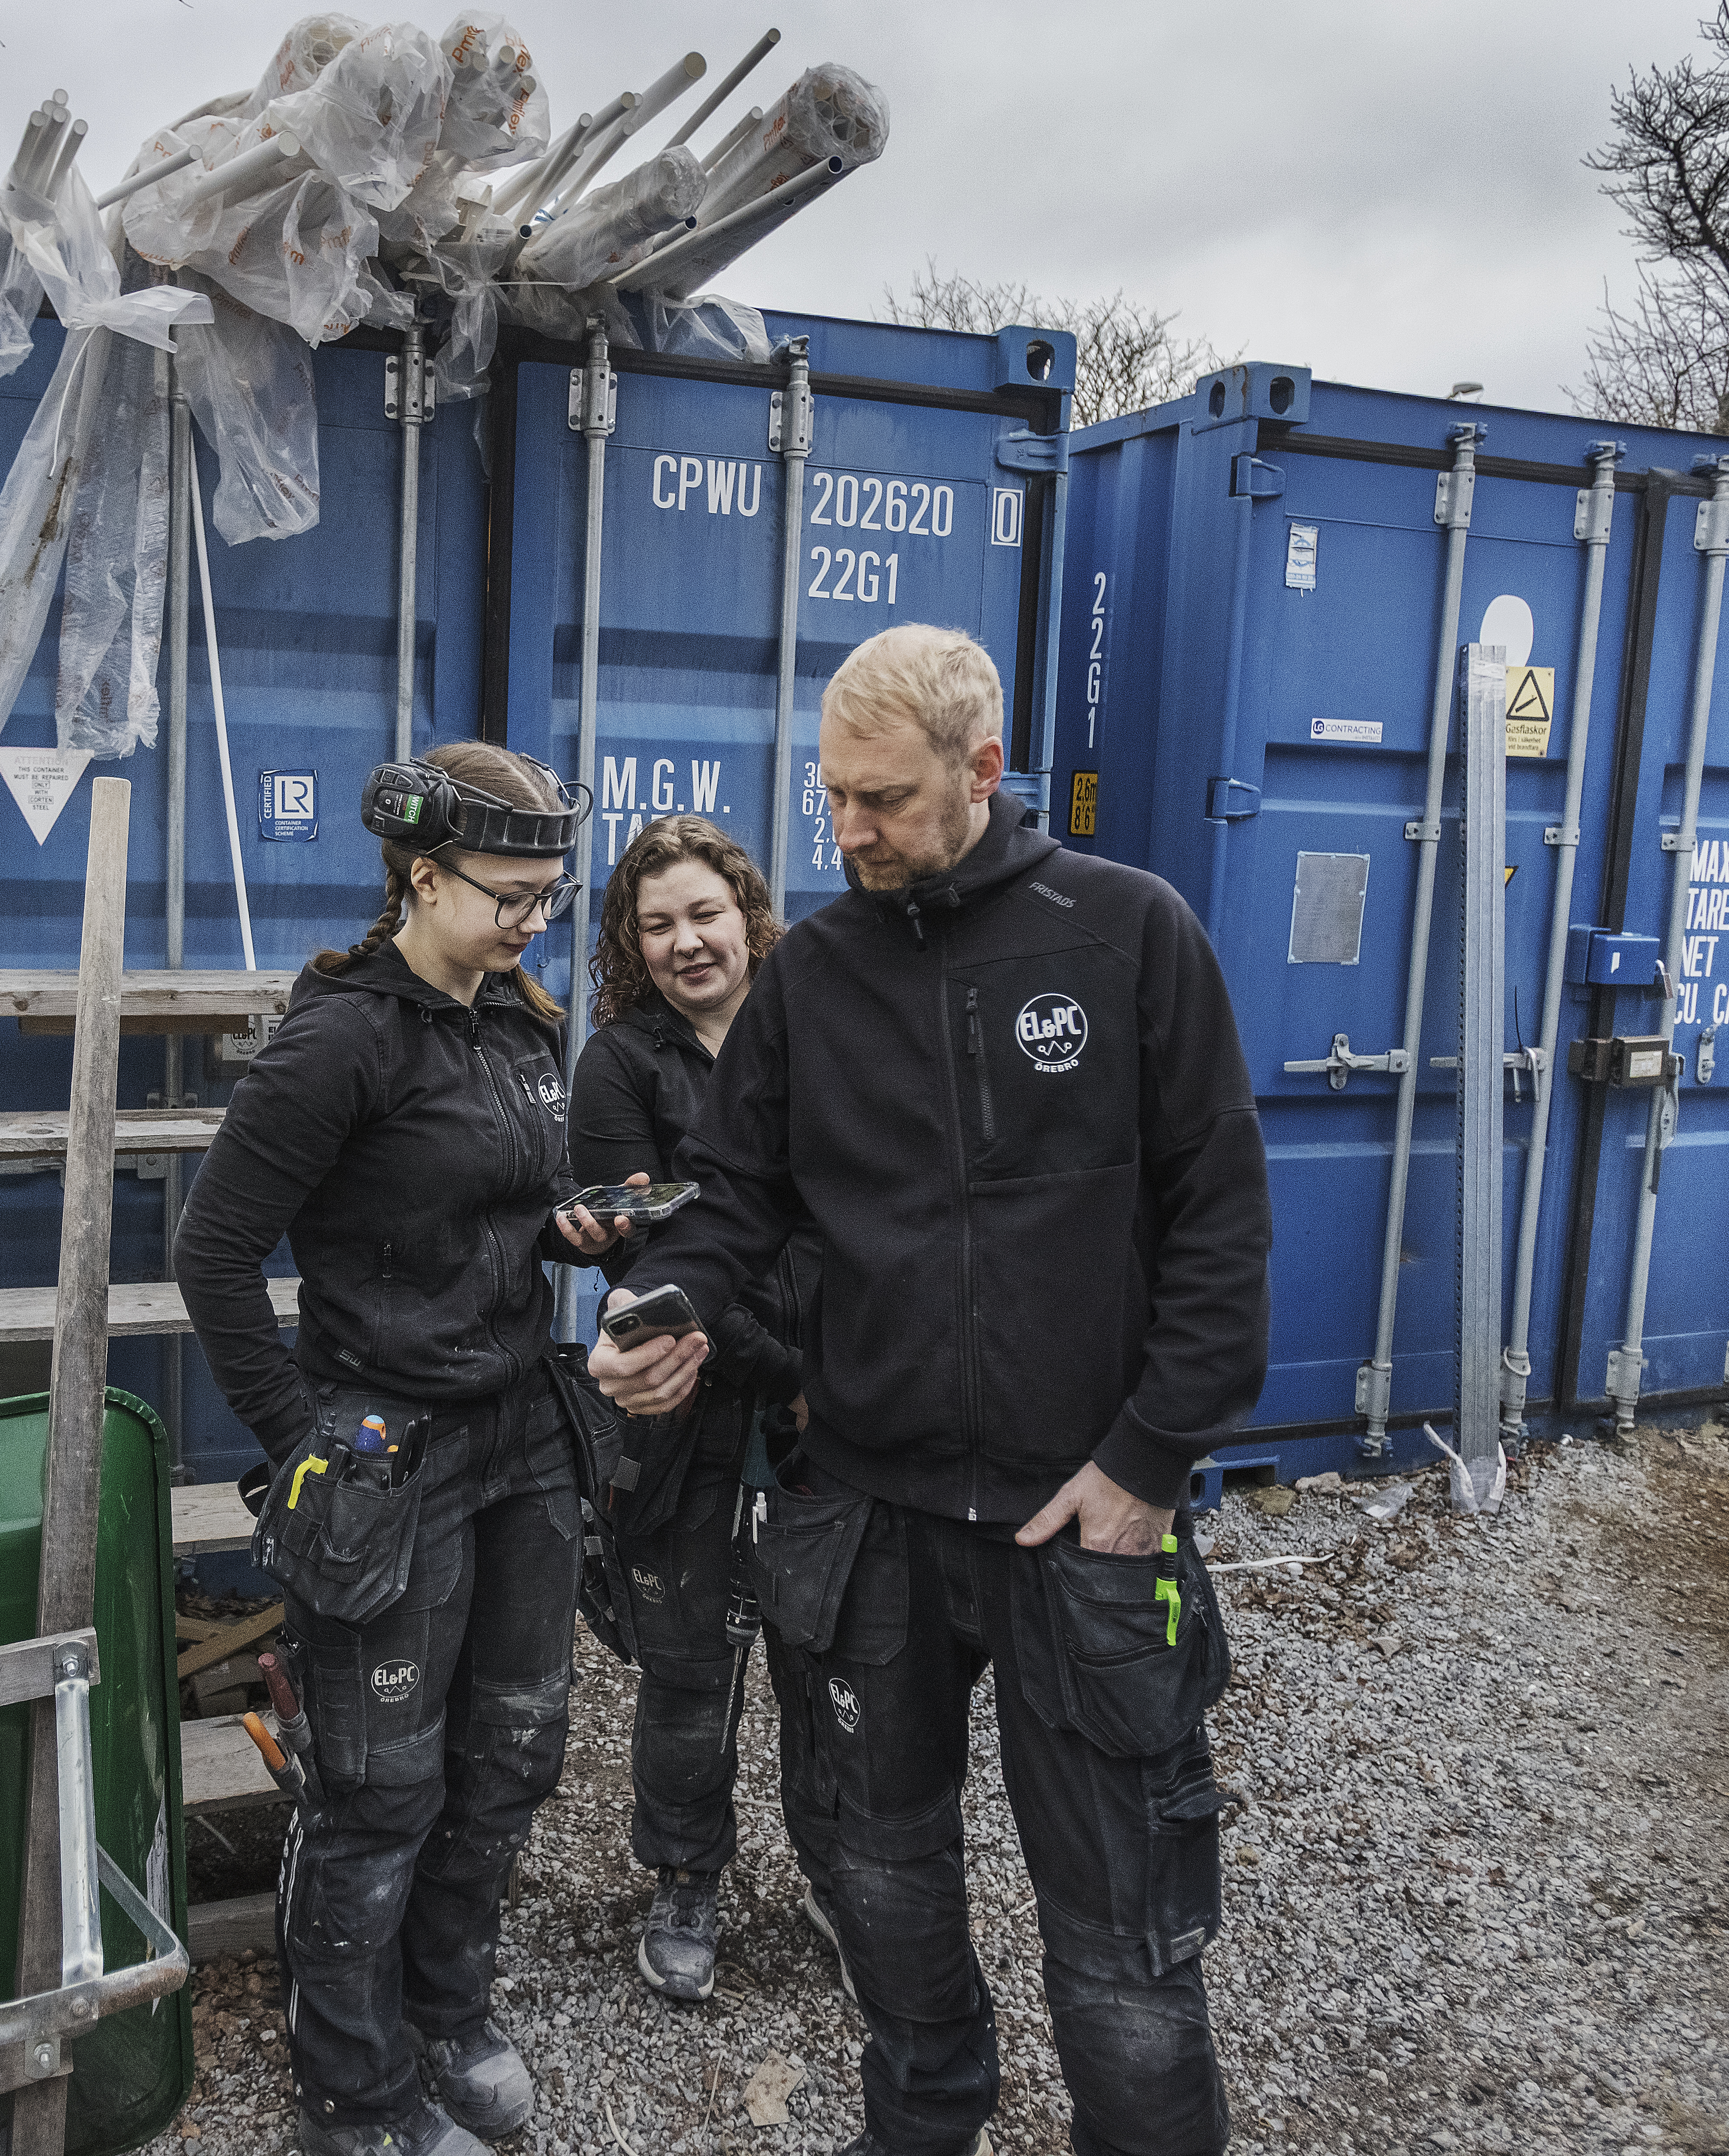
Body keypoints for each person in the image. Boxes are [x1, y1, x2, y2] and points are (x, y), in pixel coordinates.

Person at [588, 623, 1271, 2156]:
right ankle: (922, 2126)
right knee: (885, 1892)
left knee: (1124, 1946)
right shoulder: (812, 976)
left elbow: (1222, 1218)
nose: (845, 833)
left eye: (881, 799)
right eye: (830, 797)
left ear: (982, 771)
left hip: (1078, 1521)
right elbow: (731, 1197)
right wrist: (663, 1304)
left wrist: (1151, 1462)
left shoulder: (1128, 933)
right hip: (871, 1521)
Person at [176, 741, 641, 2156]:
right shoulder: (337, 1040)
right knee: (380, 1786)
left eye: (547, 897)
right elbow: (210, 1255)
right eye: (506, 895)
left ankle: (447, 2007)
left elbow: (503, 1197)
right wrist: (304, 1442)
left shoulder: (517, 1021)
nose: (528, 921)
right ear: (419, 876)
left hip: (521, 1439)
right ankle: (353, 2090)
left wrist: (573, 1223)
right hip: (390, 1456)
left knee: (508, 1755)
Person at [567, 815, 838, 2005]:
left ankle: (845, 1874)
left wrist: (843, 1378)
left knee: (832, 1662)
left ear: (747, 913)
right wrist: (787, 1374)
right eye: (658, 922)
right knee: (687, 1664)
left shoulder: (819, 1031)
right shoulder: (619, 1065)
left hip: (835, 1411)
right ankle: (685, 1875)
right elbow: (660, 1271)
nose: (687, 942)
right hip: (695, 1416)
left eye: (705, 914)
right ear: (632, 939)